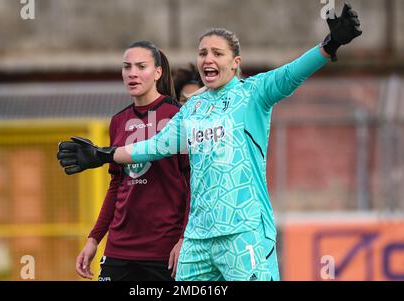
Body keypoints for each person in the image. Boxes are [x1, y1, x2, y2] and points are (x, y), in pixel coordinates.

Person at [58, 3, 362, 281]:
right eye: (203, 53)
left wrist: (330, 44)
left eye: (217, 53)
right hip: (198, 239)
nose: (208, 59)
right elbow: (153, 146)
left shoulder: (253, 93)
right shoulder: (192, 108)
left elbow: (291, 74)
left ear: (235, 62)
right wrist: (103, 154)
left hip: (243, 234)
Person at [58, 40, 190, 281]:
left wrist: (184, 239)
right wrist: (93, 239)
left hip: (164, 250)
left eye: (141, 66)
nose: (132, 73)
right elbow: (117, 186)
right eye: (127, 67)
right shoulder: (118, 121)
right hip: (119, 248)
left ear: (158, 72)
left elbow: (193, 183)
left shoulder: (178, 116)